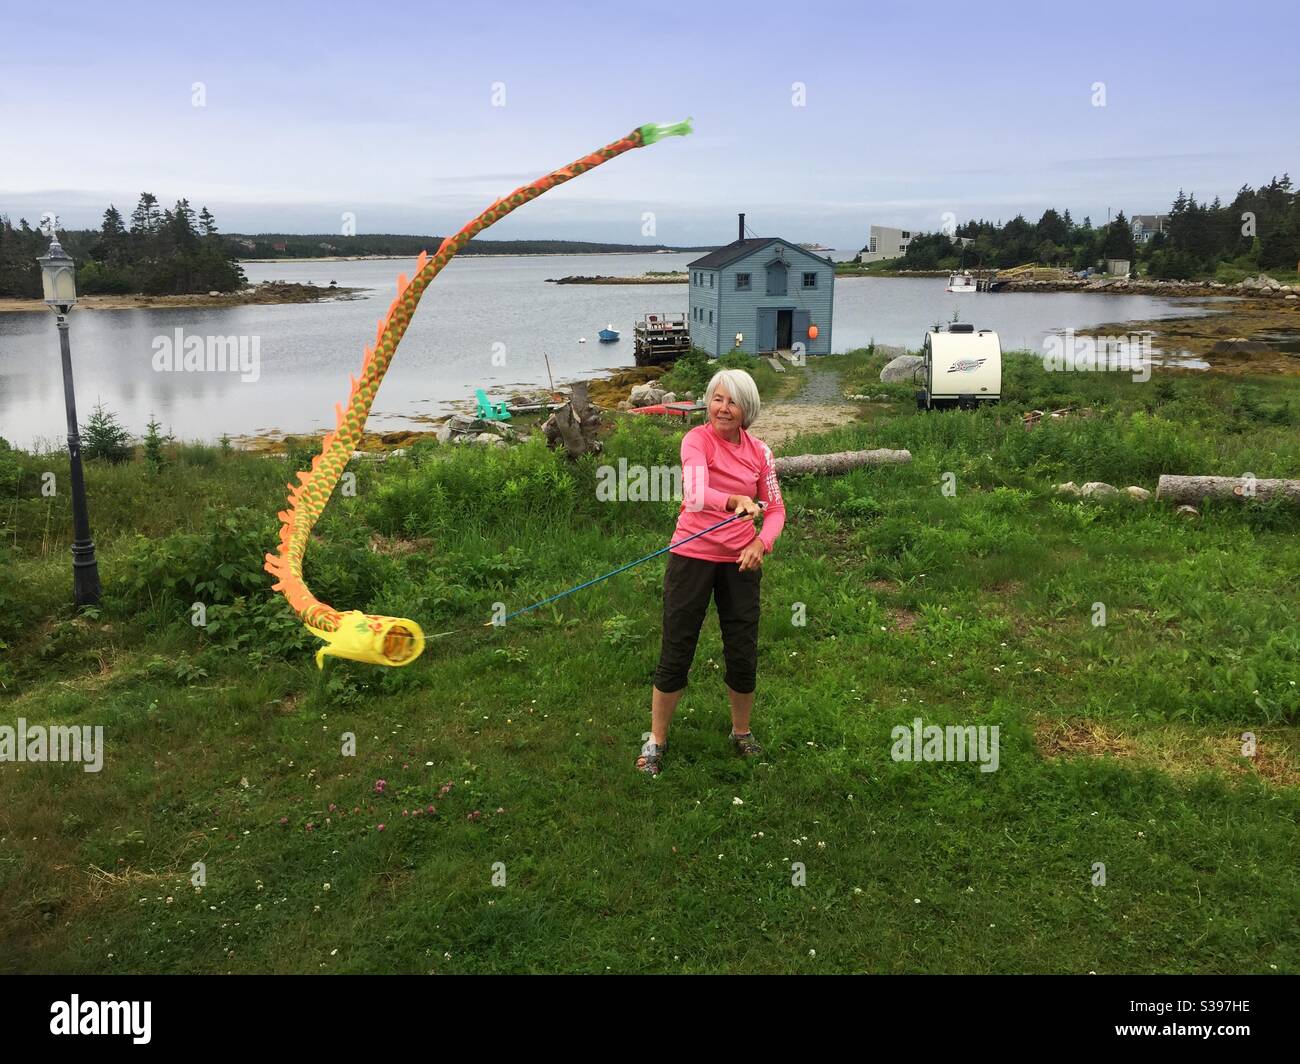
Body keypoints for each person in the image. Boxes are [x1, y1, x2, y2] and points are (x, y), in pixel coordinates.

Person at [636, 368, 786, 775]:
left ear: (747, 408)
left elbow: (775, 509)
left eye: (732, 401)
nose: (723, 408)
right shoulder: (695, 440)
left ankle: (741, 733)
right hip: (692, 556)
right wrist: (735, 499)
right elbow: (696, 493)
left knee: (742, 648)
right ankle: (657, 741)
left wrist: (760, 543)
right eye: (717, 399)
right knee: (677, 647)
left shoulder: (761, 453)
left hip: (740, 562)